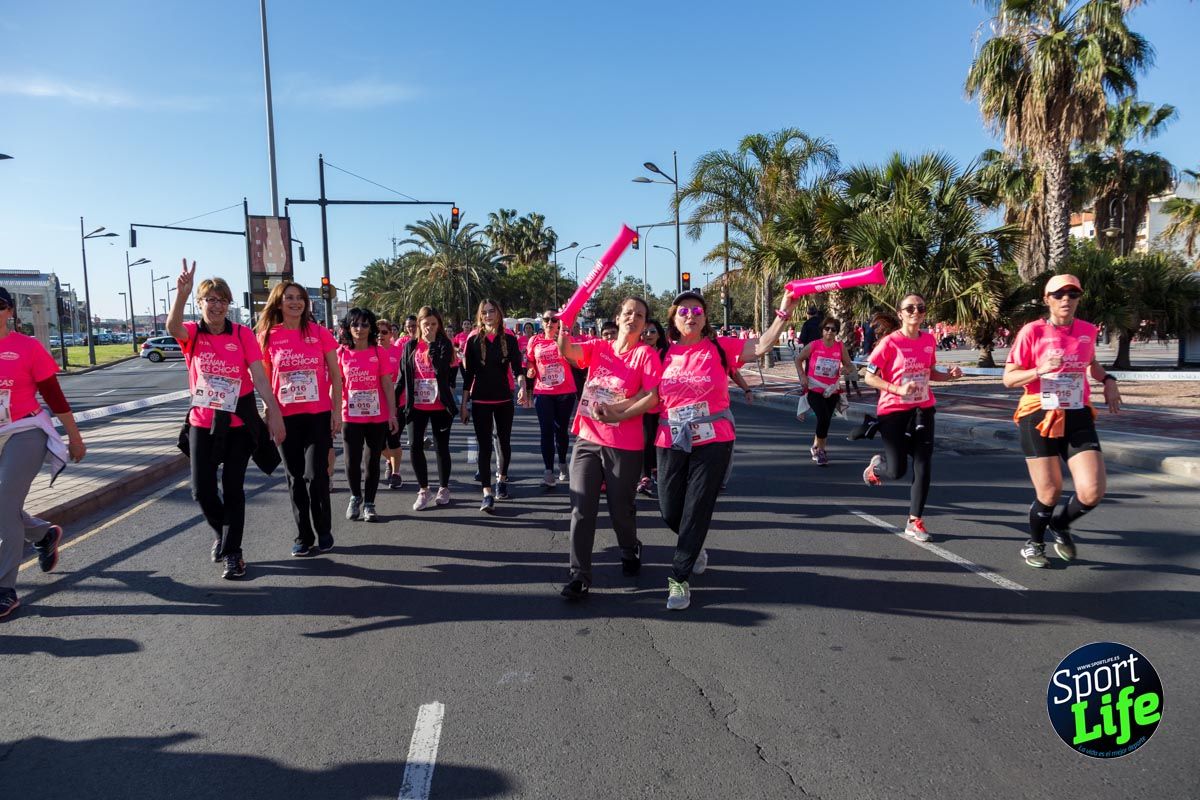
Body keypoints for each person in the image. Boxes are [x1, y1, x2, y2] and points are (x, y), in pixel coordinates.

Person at [1003, 273, 1121, 568]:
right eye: (1059, 295)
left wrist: (1107, 379)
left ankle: (1060, 524)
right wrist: (1039, 370)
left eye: (1073, 294)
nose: (1066, 299)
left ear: (1079, 298)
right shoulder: (1032, 332)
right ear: (1047, 300)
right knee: (1050, 490)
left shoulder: (1087, 330)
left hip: (1077, 412)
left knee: (1092, 491)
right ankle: (1034, 542)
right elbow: (1008, 378)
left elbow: (1091, 363)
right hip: (1037, 413)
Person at [555, 298, 661, 600]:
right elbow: (568, 351)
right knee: (581, 508)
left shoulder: (646, 355)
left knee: (620, 510)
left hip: (624, 445)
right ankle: (579, 576)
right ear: (618, 317)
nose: (633, 318)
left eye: (640, 315)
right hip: (588, 438)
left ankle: (630, 548)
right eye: (628, 312)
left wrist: (618, 414)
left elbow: (652, 397)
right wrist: (565, 325)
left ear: (644, 324)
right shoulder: (598, 348)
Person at [0, 286, 87, 618]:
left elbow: (55, 397)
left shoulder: (27, 348)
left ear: (9, 312)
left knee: (5, 505)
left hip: (25, 431)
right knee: (3, 507)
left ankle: (5, 588)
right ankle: (43, 533)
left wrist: (75, 439)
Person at [860, 293, 963, 541]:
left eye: (921, 308)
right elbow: (868, 376)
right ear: (900, 313)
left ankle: (914, 520)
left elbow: (930, 372)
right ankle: (877, 467)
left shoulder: (928, 340)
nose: (916, 312)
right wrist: (897, 389)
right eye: (910, 308)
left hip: (923, 408)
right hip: (893, 410)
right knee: (896, 471)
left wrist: (949, 376)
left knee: (923, 463)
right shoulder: (889, 343)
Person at [257, 281, 341, 556]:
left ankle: (324, 528)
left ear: (307, 303)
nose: (295, 302)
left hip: (317, 415)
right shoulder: (269, 336)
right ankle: (303, 536)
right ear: (279, 303)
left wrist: (336, 411)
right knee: (294, 477)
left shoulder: (319, 333)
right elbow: (264, 380)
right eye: (289, 298)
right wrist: (270, 414)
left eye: (300, 298)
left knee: (315, 475)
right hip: (285, 418)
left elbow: (336, 376)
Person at [462, 299, 526, 513]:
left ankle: (502, 479)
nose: (488, 315)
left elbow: (518, 368)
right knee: (484, 447)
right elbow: (468, 374)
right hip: (480, 400)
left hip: (503, 399)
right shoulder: (472, 339)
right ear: (480, 316)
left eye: (492, 311)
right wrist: (464, 404)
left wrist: (523, 387)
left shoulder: (509, 338)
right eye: (484, 312)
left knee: (503, 442)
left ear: (499, 313)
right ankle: (487, 493)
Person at [338, 308, 399, 522]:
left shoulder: (378, 352)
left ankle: (370, 504)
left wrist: (392, 413)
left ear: (371, 328)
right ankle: (355, 497)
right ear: (347, 327)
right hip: (350, 416)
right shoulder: (341, 353)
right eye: (355, 324)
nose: (360, 329)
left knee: (371, 459)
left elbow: (387, 385)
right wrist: (334, 414)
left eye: (365, 325)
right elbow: (336, 387)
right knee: (351, 460)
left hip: (376, 415)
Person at [403, 306, 458, 510]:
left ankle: (443, 488)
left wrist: (433, 344)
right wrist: (393, 405)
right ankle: (423, 490)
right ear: (419, 325)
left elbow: (441, 369)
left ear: (439, 325)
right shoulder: (410, 346)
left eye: (434, 324)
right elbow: (403, 377)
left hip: (439, 404)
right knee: (415, 446)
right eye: (426, 324)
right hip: (416, 405)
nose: (430, 328)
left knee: (441, 447)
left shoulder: (444, 344)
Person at [794, 316, 856, 466]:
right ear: (822, 330)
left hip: (832, 390)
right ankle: (821, 451)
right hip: (814, 387)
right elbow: (798, 359)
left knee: (826, 420)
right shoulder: (814, 345)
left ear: (836, 332)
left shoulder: (840, 347)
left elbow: (850, 365)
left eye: (833, 329)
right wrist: (802, 376)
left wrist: (845, 370)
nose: (829, 332)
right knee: (823, 418)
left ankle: (816, 447)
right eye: (826, 328)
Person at [527, 311, 576, 489]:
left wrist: (563, 341)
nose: (549, 322)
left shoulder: (565, 338)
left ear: (558, 323)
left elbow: (576, 358)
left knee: (561, 431)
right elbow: (530, 361)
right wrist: (530, 370)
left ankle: (562, 462)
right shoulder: (534, 341)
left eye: (554, 320)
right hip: (543, 391)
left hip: (565, 391)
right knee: (546, 430)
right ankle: (548, 471)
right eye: (546, 319)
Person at [636, 319, 670, 496]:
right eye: (645, 332)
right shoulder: (637, 351)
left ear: (659, 335)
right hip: (643, 403)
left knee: (661, 441)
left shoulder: (668, 352)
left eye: (652, 332)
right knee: (645, 440)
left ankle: (657, 470)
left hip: (664, 405)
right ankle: (645, 477)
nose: (648, 335)